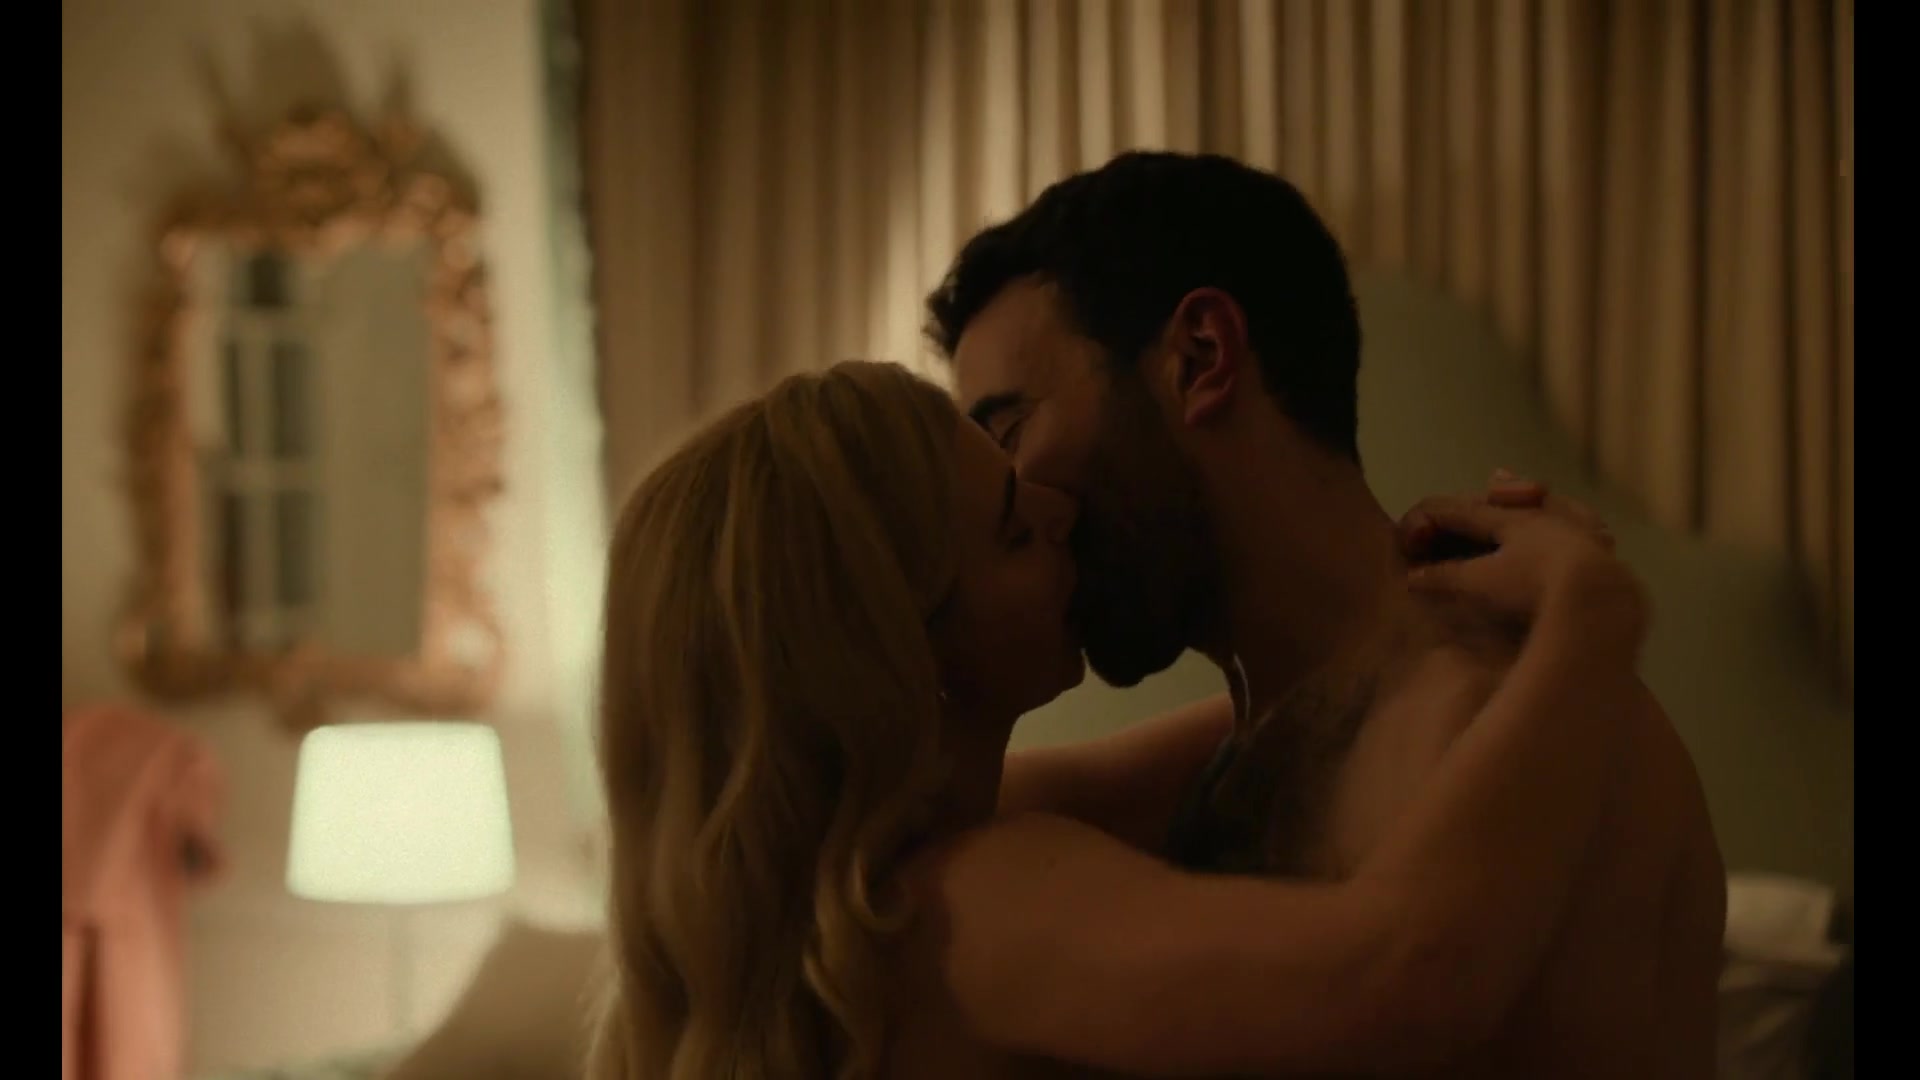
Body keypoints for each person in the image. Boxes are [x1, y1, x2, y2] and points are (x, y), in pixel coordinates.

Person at [588, 359, 1656, 1079]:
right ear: (900, 657)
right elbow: (1410, 975)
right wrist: (1587, 622)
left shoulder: (851, 879)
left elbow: (1281, 710)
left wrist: (1421, 607)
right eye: (1015, 531)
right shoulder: (974, 900)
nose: (1061, 513)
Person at [928, 151, 1726, 1077]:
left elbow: (1418, 975)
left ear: (1201, 358)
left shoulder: (1485, 721)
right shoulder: (1277, 725)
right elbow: (901, 806)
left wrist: (1587, 613)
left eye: (1008, 433)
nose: (1021, 504)